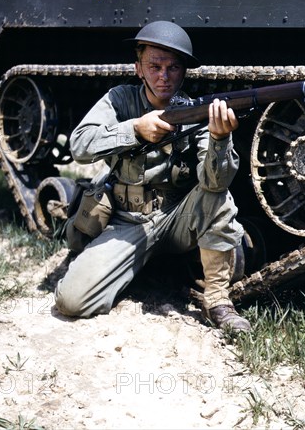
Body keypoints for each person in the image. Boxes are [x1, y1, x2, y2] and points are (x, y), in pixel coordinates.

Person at [54, 21, 251, 332]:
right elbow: (79, 145)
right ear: (138, 69)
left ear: (184, 71)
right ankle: (133, 265)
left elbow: (216, 182)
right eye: (155, 66)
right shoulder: (119, 100)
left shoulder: (194, 111)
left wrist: (219, 140)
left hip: (176, 218)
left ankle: (218, 300)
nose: (164, 76)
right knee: (71, 301)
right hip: (125, 220)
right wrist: (134, 129)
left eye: (173, 67)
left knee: (216, 196)